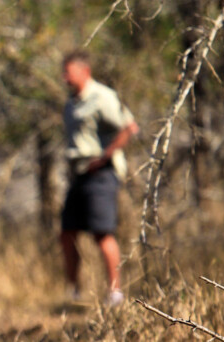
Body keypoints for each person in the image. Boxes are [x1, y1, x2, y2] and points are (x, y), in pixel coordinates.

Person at [59, 51, 138, 306]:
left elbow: (129, 127)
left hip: (101, 174)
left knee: (102, 233)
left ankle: (115, 292)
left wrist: (104, 157)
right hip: (79, 173)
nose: (64, 78)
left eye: (68, 73)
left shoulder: (102, 97)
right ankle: (74, 291)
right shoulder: (72, 102)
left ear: (84, 72)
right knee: (67, 231)